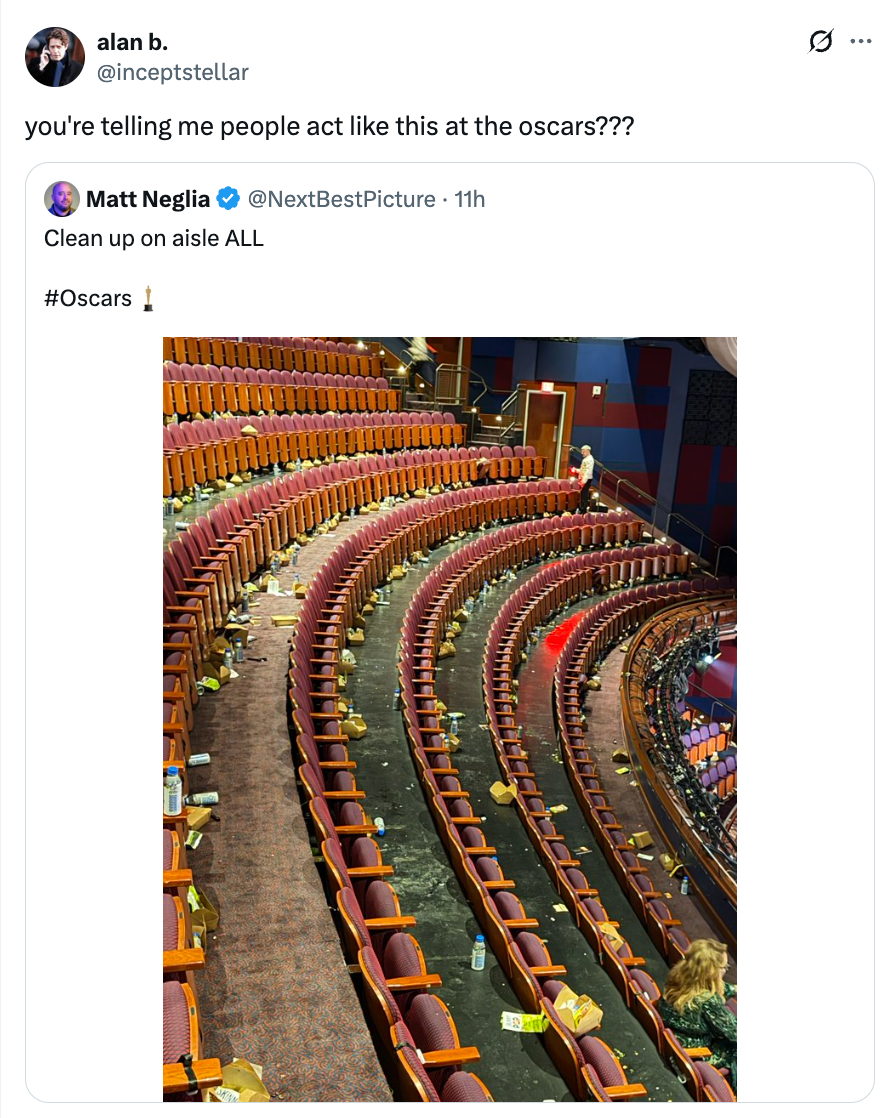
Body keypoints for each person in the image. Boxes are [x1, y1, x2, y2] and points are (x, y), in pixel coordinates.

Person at [658, 938, 738, 1089]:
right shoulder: (707, 1000)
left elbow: (713, 987)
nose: (726, 969)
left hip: (678, 1044)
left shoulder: (678, 977)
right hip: (697, 1054)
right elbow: (734, 1033)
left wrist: (734, 989)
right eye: (724, 966)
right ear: (711, 970)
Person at [578, 444, 595, 511]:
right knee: (582, 493)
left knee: (584, 494)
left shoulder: (590, 459)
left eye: (583, 451)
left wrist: (583, 481)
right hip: (584, 478)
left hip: (587, 479)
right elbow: (583, 469)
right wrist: (577, 470)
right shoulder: (586, 459)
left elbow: (588, 471)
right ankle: (582, 507)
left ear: (587, 451)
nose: (582, 453)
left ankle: (583, 508)